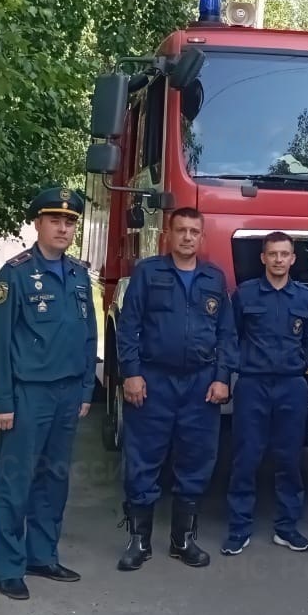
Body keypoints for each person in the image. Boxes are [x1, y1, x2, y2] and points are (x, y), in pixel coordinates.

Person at [0, 186, 98, 600]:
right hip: (28, 395)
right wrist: (2, 401)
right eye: (56, 220)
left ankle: (41, 555)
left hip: (68, 395)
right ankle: (5, 564)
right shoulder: (15, 274)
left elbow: (88, 335)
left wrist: (87, 388)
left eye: (70, 222)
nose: (63, 228)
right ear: (38, 223)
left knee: (54, 479)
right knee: (15, 481)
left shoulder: (79, 275)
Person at [115, 207, 238, 571]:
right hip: (154, 381)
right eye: (181, 230)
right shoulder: (149, 273)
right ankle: (139, 541)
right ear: (168, 235)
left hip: (201, 384)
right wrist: (131, 373)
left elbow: (227, 335)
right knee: (143, 459)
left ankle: (183, 540)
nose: (187, 237)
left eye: (194, 231)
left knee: (196, 459)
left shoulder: (214, 279)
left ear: (202, 238)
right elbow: (128, 327)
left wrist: (222, 377)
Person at [221, 232, 308, 556]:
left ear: (293, 259)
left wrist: (295, 367)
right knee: (246, 457)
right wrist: (241, 367)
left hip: (291, 386)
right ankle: (238, 528)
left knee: (290, 458)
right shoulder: (246, 295)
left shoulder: (305, 298)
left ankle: (287, 527)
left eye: (285, 254)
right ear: (263, 258)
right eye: (272, 254)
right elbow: (230, 336)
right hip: (253, 385)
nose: (279, 260)